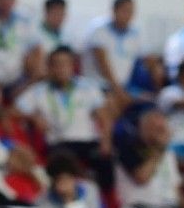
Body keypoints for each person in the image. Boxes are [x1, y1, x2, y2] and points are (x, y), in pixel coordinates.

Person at [15, 47, 112, 188]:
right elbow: (14, 111)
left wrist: (106, 140)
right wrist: (33, 117)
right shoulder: (39, 90)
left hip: (88, 141)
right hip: (59, 143)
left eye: (65, 64)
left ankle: (106, 199)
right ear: (49, 67)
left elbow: (104, 117)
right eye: (56, 64)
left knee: (106, 161)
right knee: (62, 163)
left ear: (73, 66)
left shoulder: (88, 87)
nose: (61, 68)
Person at [114, 110, 184, 208]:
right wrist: (159, 150)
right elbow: (142, 178)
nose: (163, 134)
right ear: (144, 129)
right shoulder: (128, 150)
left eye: (163, 129)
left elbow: (175, 187)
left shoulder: (168, 154)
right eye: (158, 129)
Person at [84, 0, 143, 101]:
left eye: (131, 11)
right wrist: (119, 92)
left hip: (123, 87)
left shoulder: (134, 34)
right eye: (125, 11)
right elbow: (103, 65)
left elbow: (138, 62)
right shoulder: (99, 30)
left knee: (149, 102)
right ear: (114, 10)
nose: (129, 15)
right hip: (98, 87)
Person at [39, 151, 104, 208]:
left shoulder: (90, 189)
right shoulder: (44, 200)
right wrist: (66, 200)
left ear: (74, 178)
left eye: (66, 179)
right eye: (58, 181)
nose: (62, 185)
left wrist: (71, 199)